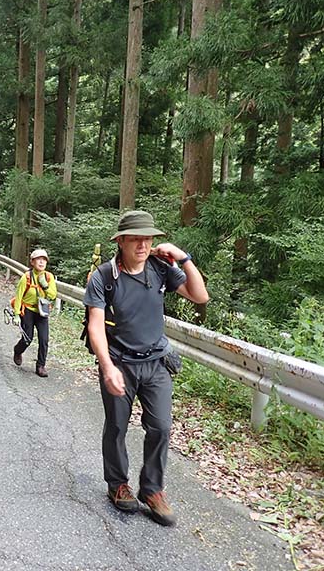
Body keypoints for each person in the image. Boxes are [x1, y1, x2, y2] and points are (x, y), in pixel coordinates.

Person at [84, 210, 209, 526]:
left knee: (161, 427)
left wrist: (185, 258)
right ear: (122, 241)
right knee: (116, 426)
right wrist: (107, 366)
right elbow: (96, 326)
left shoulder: (161, 268)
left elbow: (200, 295)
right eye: (136, 238)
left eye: (148, 238)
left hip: (156, 363)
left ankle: (152, 490)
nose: (143, 244)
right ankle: (117, 484)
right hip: (120, 363)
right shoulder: (104, 277)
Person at [12, 249, 57, 377]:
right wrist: (16, 314)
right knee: (28, 338)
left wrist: (45, 286)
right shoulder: (26, 277)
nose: (42, 262)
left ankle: (40, 366)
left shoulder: (49, 277)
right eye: (38, 259)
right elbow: (19, 296)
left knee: (44, 339)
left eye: (44, 259)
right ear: (32, 262)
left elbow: (53, 295)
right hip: (28, 310)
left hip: (42, 311)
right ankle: (17, 350)